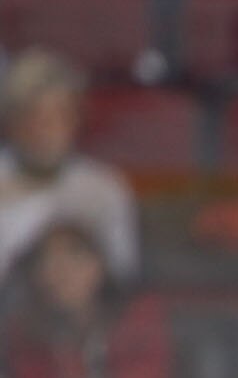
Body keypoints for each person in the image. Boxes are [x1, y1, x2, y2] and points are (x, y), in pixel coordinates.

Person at [0, 53, 138, 293]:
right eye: (33, 117)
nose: (45, 131)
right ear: (11, 122)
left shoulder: (103, 188)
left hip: (84, 322)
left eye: (58, 117)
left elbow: (123, 274)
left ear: (76, 120)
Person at [1, 218, 170, 378]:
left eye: (74, 258)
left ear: (99, 265)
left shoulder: (139, 322)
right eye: (49, 261)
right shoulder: (25, 335)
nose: (60, 272)